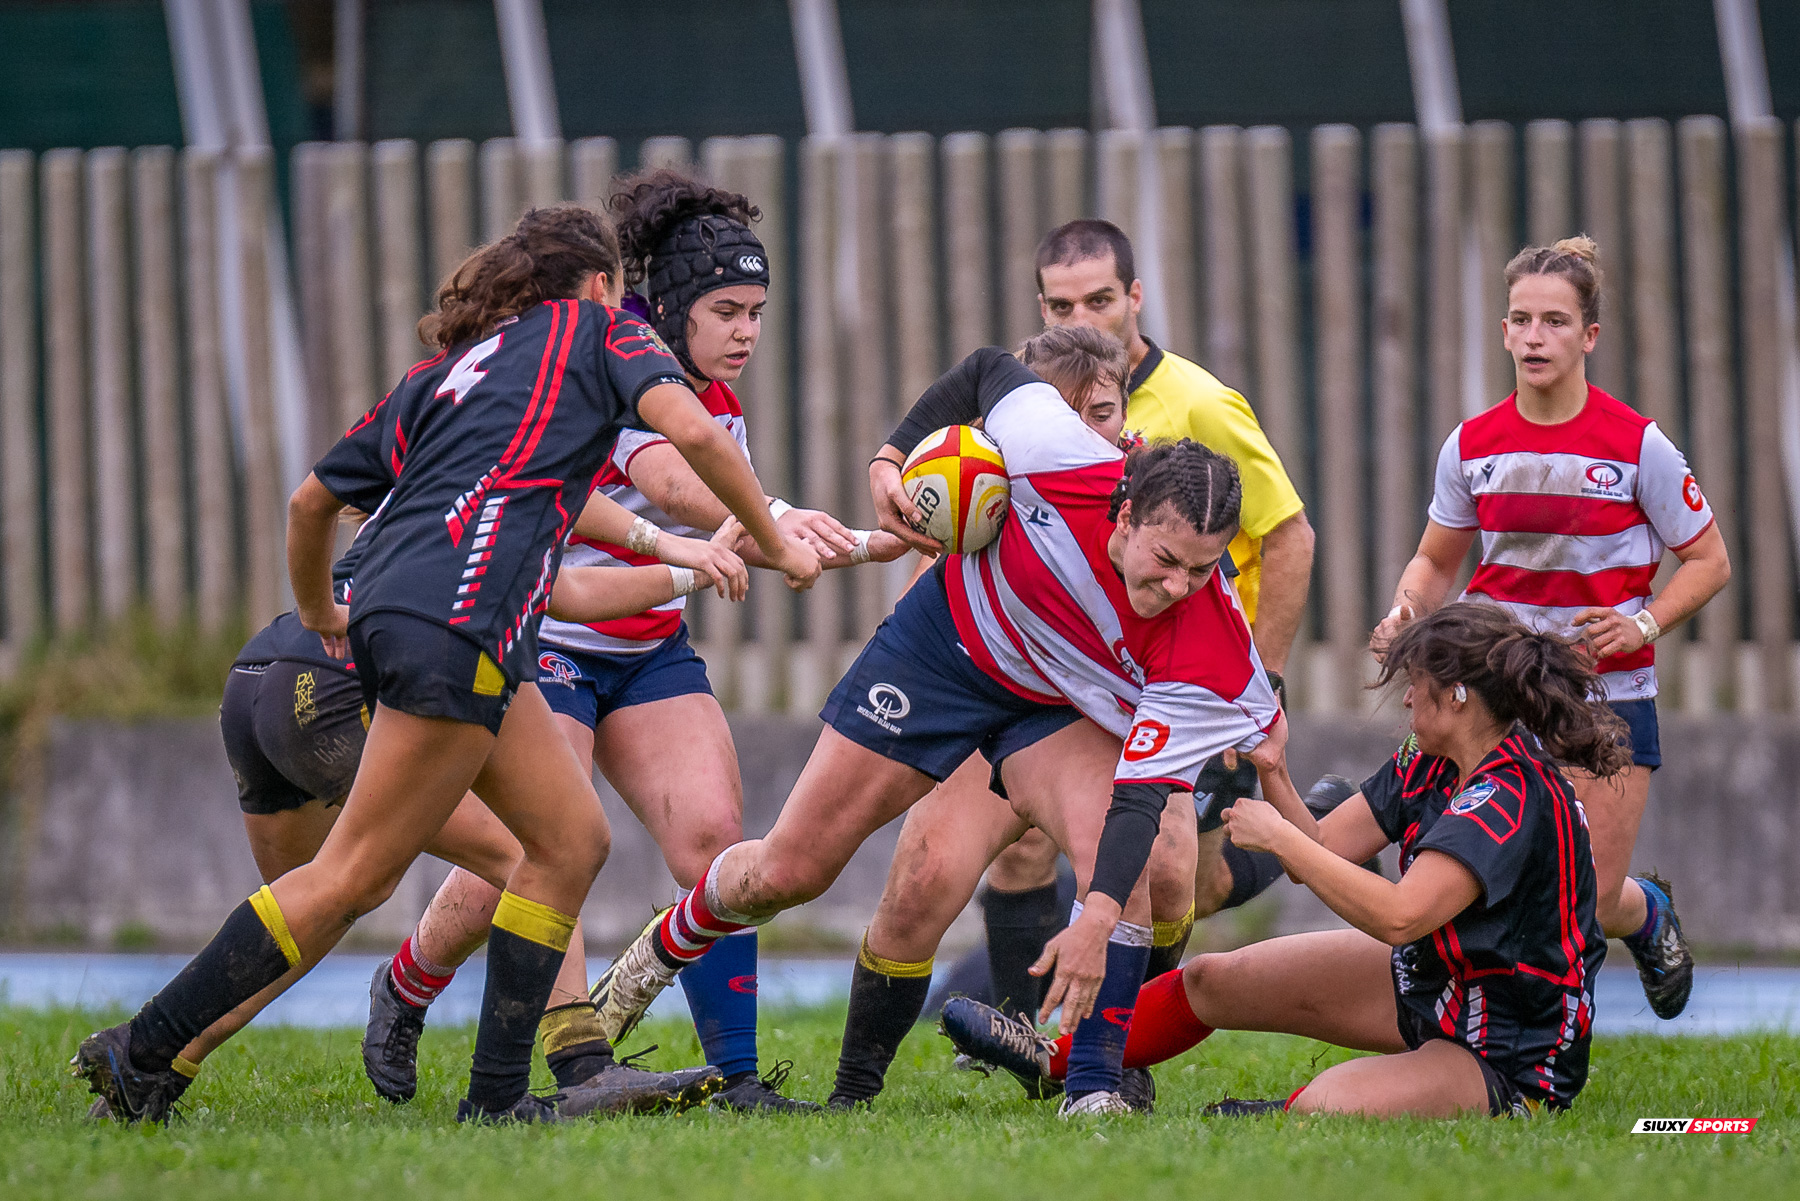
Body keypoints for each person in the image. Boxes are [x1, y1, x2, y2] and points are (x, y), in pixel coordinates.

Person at [70, 203, 820, 1126]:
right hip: (455, 629)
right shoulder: (598, 329)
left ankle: (499, 1099)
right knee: (353, 877)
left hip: (409, 620)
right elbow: (697, 442)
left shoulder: (446, 377)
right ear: (596, 287)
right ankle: (142, 1048)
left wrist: (318, 609)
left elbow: (312, 501)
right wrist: (777, 539)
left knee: (567, 839)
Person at [592, 338, 1314, 1117]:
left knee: (1129, 865)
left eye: (1201, 572)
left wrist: (1096, 915)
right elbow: (982, 369)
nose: (1176, 587)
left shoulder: (1210, 644)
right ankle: (661, 950)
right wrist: (887, 461)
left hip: (1054, 706)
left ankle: (1097, 1089)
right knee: (789, 871)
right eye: (1165, 559)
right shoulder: (1055, 451)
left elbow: (1142, 793)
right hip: (947, 646)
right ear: (1126, 510)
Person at [356, 170, 904, 1116]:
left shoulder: (717, 397)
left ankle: (736, 1079)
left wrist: (885, 541)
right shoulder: (610, 359)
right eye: (728, 310)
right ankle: (432, 993)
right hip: (548, 634)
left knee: (711, 840)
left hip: (646, 645)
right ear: (675, 306)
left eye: (759, 312)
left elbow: (745, 534)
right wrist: (771, 517)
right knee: (538, 848)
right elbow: (682, 481)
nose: (747, 333)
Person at [873, 219, 1317, 1030]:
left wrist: (1263, 677)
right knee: (1011, 848)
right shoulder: (1027, 403)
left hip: (1166, 679)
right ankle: (1022, 1033)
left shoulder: (1199, 403)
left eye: (1102, 298)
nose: (1085, 317)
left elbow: (1288, 535)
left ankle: (1126, 1041)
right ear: (1041, 308)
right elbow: (980, 522)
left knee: (1188, 874)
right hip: (1040, 669)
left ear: (1135, 296)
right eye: (1064, 303)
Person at [946, 603, 1619, 1119]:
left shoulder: (1506, 795)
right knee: (1211, 979)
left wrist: (1280, 838)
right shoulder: (1428, 759)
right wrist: (1274, 772)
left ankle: (1278, 1114)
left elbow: (1399, 914)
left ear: (1460, 696)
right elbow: (1323, 851)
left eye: (1416, 684)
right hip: (1436, 983)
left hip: (1503, 1048)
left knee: (1319, 1110)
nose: (1407, 699)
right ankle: (1052, 1061)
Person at [1370, 235, 1729, 1020]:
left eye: (1556, 322)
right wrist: (1405, 615)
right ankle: (1502, 1045)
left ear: (1588, 336)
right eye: (1522, 320)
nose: (1535, 337)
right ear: (1503, 332)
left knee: (1590, 897)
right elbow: (1434, 562)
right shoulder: (1472, 444)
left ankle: (1647, 911)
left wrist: (1642, 622)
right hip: (1494, 691)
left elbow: (1709, 560)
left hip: (1606, 693)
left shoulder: (1639, 445)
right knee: (1491, 876)